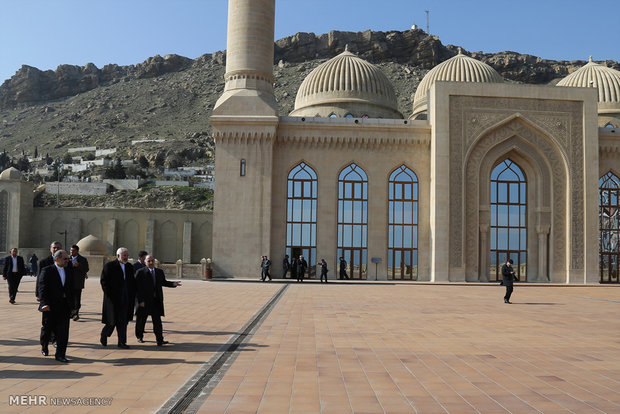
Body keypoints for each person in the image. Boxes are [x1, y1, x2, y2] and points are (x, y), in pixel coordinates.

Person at [135, 255, 181, 346]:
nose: (151, 263)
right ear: (145, 262)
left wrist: (173, 284)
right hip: (144, 301)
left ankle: (159, 339)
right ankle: (139, 336)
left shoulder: (159, 272)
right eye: (149, 261)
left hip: (156, 301)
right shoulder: (140, 272)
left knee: (157, 321)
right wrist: (140, 301)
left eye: (152, 261)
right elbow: (136, 288)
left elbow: (163, 282)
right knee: (141, 320)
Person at [38, 250, 76, 363]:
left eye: (68, 258)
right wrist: (44, 304)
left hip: (64, 306)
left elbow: (71, 290)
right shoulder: (47, 270)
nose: (67, 261)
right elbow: (42, 288)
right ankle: (44, 345)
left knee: (63, 332)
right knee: (47, 329)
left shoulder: (69, 271)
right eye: (65, 259)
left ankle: (60, 354)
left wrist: (73, 307)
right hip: (50, 306)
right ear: (57, 259)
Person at [100, 247, 136, 348]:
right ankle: (104, 334)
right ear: (118, 256)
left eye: (127, 255)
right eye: (124, 255)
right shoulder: (109, 266)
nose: (126, 257)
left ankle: (122, 342)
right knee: (112, 321)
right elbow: (104, 282)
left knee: (123, 321)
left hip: (126, 298)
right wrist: (109, 295)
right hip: (113, 299)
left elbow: (132, 282)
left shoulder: (129, 267)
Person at [69, 245, 89, 321]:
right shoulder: (67, 258)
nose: (71, 252)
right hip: (68, 283)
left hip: (77, 283)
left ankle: (76, 314)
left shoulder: (82, 259)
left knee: (77, 299)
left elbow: (86, 268)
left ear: (77, 251)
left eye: (73, 251)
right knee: (70, 298)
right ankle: (70, 312)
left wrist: (78, 265)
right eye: (71, 250)